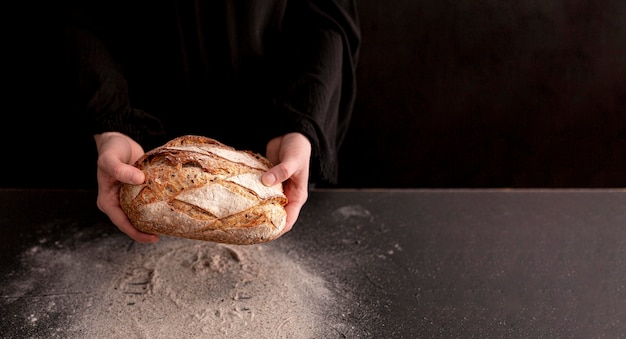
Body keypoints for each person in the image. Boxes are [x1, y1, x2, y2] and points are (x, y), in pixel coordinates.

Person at [65, 0, 361, 243]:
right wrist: (112, 122)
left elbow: (326, 17)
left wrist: (302, 122)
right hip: (130, 151)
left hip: (272, 145)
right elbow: (81, 11)